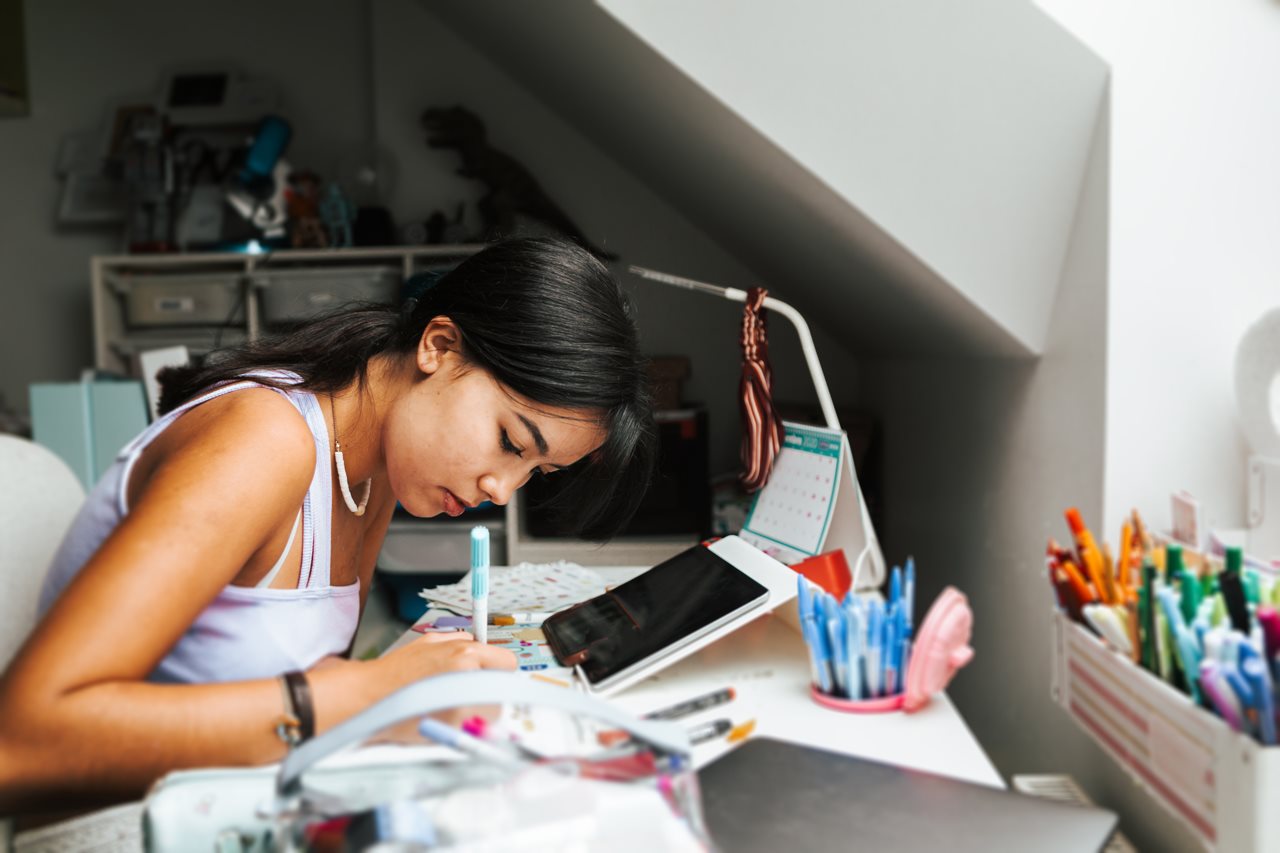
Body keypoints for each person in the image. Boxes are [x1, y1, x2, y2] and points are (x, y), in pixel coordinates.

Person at [0, 237, 655, 813]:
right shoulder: (262, 442)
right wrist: (354, 696)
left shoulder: (371, 471)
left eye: (536, 472)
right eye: (512, 442)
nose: (501, 488)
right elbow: (19, 740)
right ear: (440, 346)